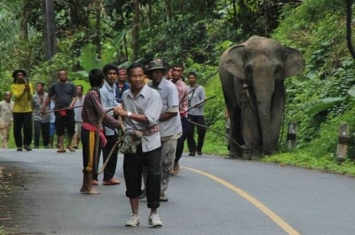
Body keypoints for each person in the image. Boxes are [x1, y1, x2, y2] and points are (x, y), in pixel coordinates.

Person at [115, 63, 163, 227]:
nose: (137, 79)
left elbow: (150, 118)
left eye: (140, 75)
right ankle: (135, 214)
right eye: (133, 76)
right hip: (133, 142)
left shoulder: (153, 95)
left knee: (154, 176)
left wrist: (126, 113)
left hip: (152, 142)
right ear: (128, 78)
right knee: (131, 176)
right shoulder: (126, 95)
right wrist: (123, 120)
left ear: (145, 77)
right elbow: (125, 119)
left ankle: (154, 213)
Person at [145, 59, 181, 202]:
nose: (157, 74)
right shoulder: (147, 87)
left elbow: (172, 111)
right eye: (154, 72)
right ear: (151, 73)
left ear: (164, 73)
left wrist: (153, 117)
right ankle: (149, 188)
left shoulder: (170, 88)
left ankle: (161, 190)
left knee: (166, 163)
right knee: (151, 162)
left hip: (170, 131)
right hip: (152, 131)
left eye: (160, 71)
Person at [80, 69, 121, 195]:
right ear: (102, 81)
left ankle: (85, 185)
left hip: (91, 129)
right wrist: (117, 124)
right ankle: (88, 186)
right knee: (90, 160)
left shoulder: (92, 93)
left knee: (89, 158)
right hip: (90, 130)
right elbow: (102, 113)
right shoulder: (93, 94)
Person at [92, 63, 121, 186]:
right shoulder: (102, 90)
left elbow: (114, 102)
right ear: (105, 76)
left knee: (112, 150)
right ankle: (93, 177)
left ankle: (108, 177)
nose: (113, 76)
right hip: (103, 125)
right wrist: (116, 111)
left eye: (115, 74)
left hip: (111, 125)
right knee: (97, 151)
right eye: (110, 74)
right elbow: (102, 110)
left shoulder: (113, 87)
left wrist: (119, 106)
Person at [41, 69, 77, 153]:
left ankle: (69, 144)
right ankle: (61, 146)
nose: (63, 76)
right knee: (60, 127)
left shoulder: (71, 85)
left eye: (64, 74)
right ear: (58, 76)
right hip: (59, 109)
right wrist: (43, 107)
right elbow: (49, 97)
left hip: (69, 110)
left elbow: (74, 97)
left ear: (66, 75)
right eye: (61, 75)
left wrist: (71, 104)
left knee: (71, 128)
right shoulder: (54, 86)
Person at [170, 64, 188, 175]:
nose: (176, 73)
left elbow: (174, 103)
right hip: (167, 116)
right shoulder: (167, 83)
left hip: (179, 116)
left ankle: (175, 160)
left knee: (179, 141)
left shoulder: (182, 87)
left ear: (182, 73)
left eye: (179, 71)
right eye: (174, 70)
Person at [11, 69, 34, 151]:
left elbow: (30, 97)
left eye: (21, 75)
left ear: (24, 76)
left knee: (28, 127)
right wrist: (24, 89)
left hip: (27, 109)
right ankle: (19, 145)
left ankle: (27, 144)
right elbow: (17, 96)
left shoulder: (29, 85)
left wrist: (28, 90)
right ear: (16, 77)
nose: (20, 77)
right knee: (17, 128)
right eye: (18, 75)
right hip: (17, 110)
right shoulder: (13, 86)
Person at [186, 71, 206, 156]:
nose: (191, 79)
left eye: (193, 78)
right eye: (190, 78)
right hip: (189, 113)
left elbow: (204, 99)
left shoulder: (200, 88)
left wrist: (198, 104)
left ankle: (199, 148)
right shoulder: (186, 89)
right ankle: (192, 150)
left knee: (201, 131)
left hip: (199, 114)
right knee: (189, 132)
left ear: (196, 79)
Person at [32, 82, 51, 149]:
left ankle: (46, 144)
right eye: (37, 86)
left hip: (46, 115)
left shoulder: (48, 95)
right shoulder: (34, 96)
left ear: (43, 87)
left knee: (45, 131)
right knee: (37, 130)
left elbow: (49, 104)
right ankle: (36, 145)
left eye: (39, 86)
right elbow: (32, 106)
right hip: (36, 115)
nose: (38, 88)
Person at [73, 85, 85, 149]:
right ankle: (75, 143)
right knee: (76, 131)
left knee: (81, 134)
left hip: (83, 119)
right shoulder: (74, 98)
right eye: (77, 89)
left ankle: (77, 144)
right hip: (75, 118)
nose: (78, 90)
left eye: (80, 89)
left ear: (82, 90)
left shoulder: (85, 98)